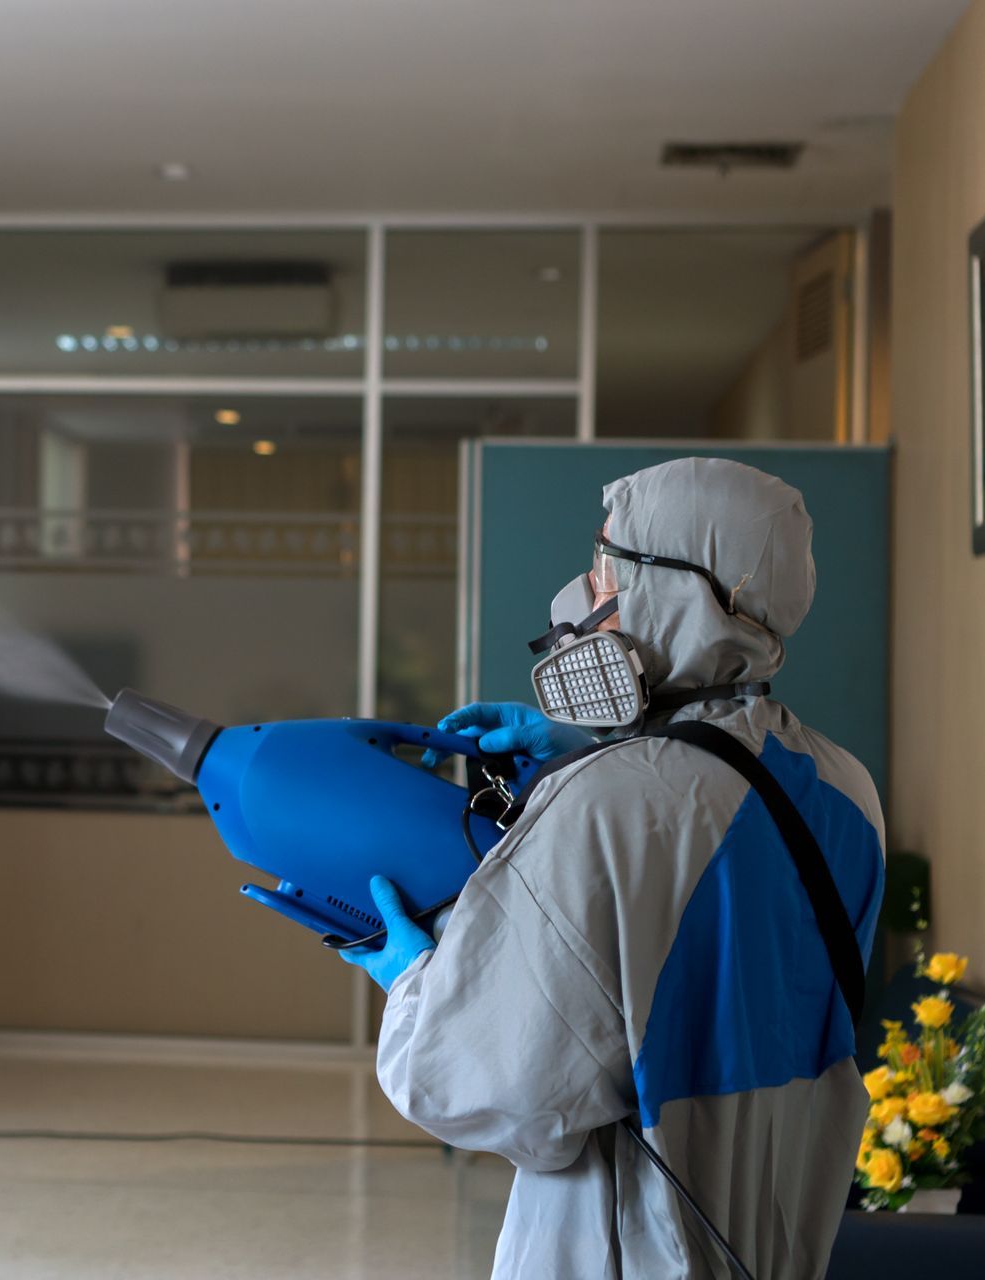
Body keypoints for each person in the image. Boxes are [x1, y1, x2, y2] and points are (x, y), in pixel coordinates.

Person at [344, 457, 885, 1279]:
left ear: (676, 590)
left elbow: (479, 1088)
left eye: (606, 566)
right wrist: (605, 755)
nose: (588, 597)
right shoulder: (850, 790)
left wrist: (417, 980)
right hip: (781, 1247)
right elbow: (721, 881)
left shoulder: (603, 807)